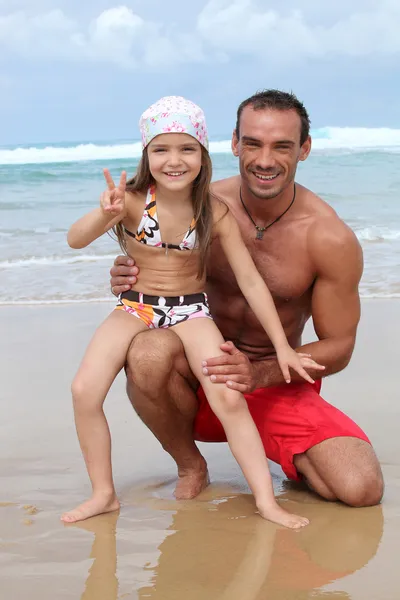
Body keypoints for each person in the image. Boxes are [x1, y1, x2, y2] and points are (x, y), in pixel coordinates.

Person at [110, 89, 384, 508]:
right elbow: (149, 268)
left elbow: (340, 347)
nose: (265, 160)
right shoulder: (193, 206)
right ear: (235, 142)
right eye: (253, 143)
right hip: (196, 371)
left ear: (305, 149)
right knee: (146, 352)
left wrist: (259, 374)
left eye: (282, 146)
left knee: (359, 488)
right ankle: (190, 464)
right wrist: (127, 275)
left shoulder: (327, 237)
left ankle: (281, 454)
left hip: (274, 380)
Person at [62, 96, 322, 527]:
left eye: (186, 149)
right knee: (83, 390)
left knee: (227, 397)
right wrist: (102, 215)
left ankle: (266, 501)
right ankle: (103, 493)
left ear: (203, 154)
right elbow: (75, 239)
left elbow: (251, 280)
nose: (173, 161)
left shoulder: (214, 211)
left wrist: (283, 347)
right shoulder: (128, 201)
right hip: (135, 308)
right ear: (147, 155)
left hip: (190, 311)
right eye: (161, 149)